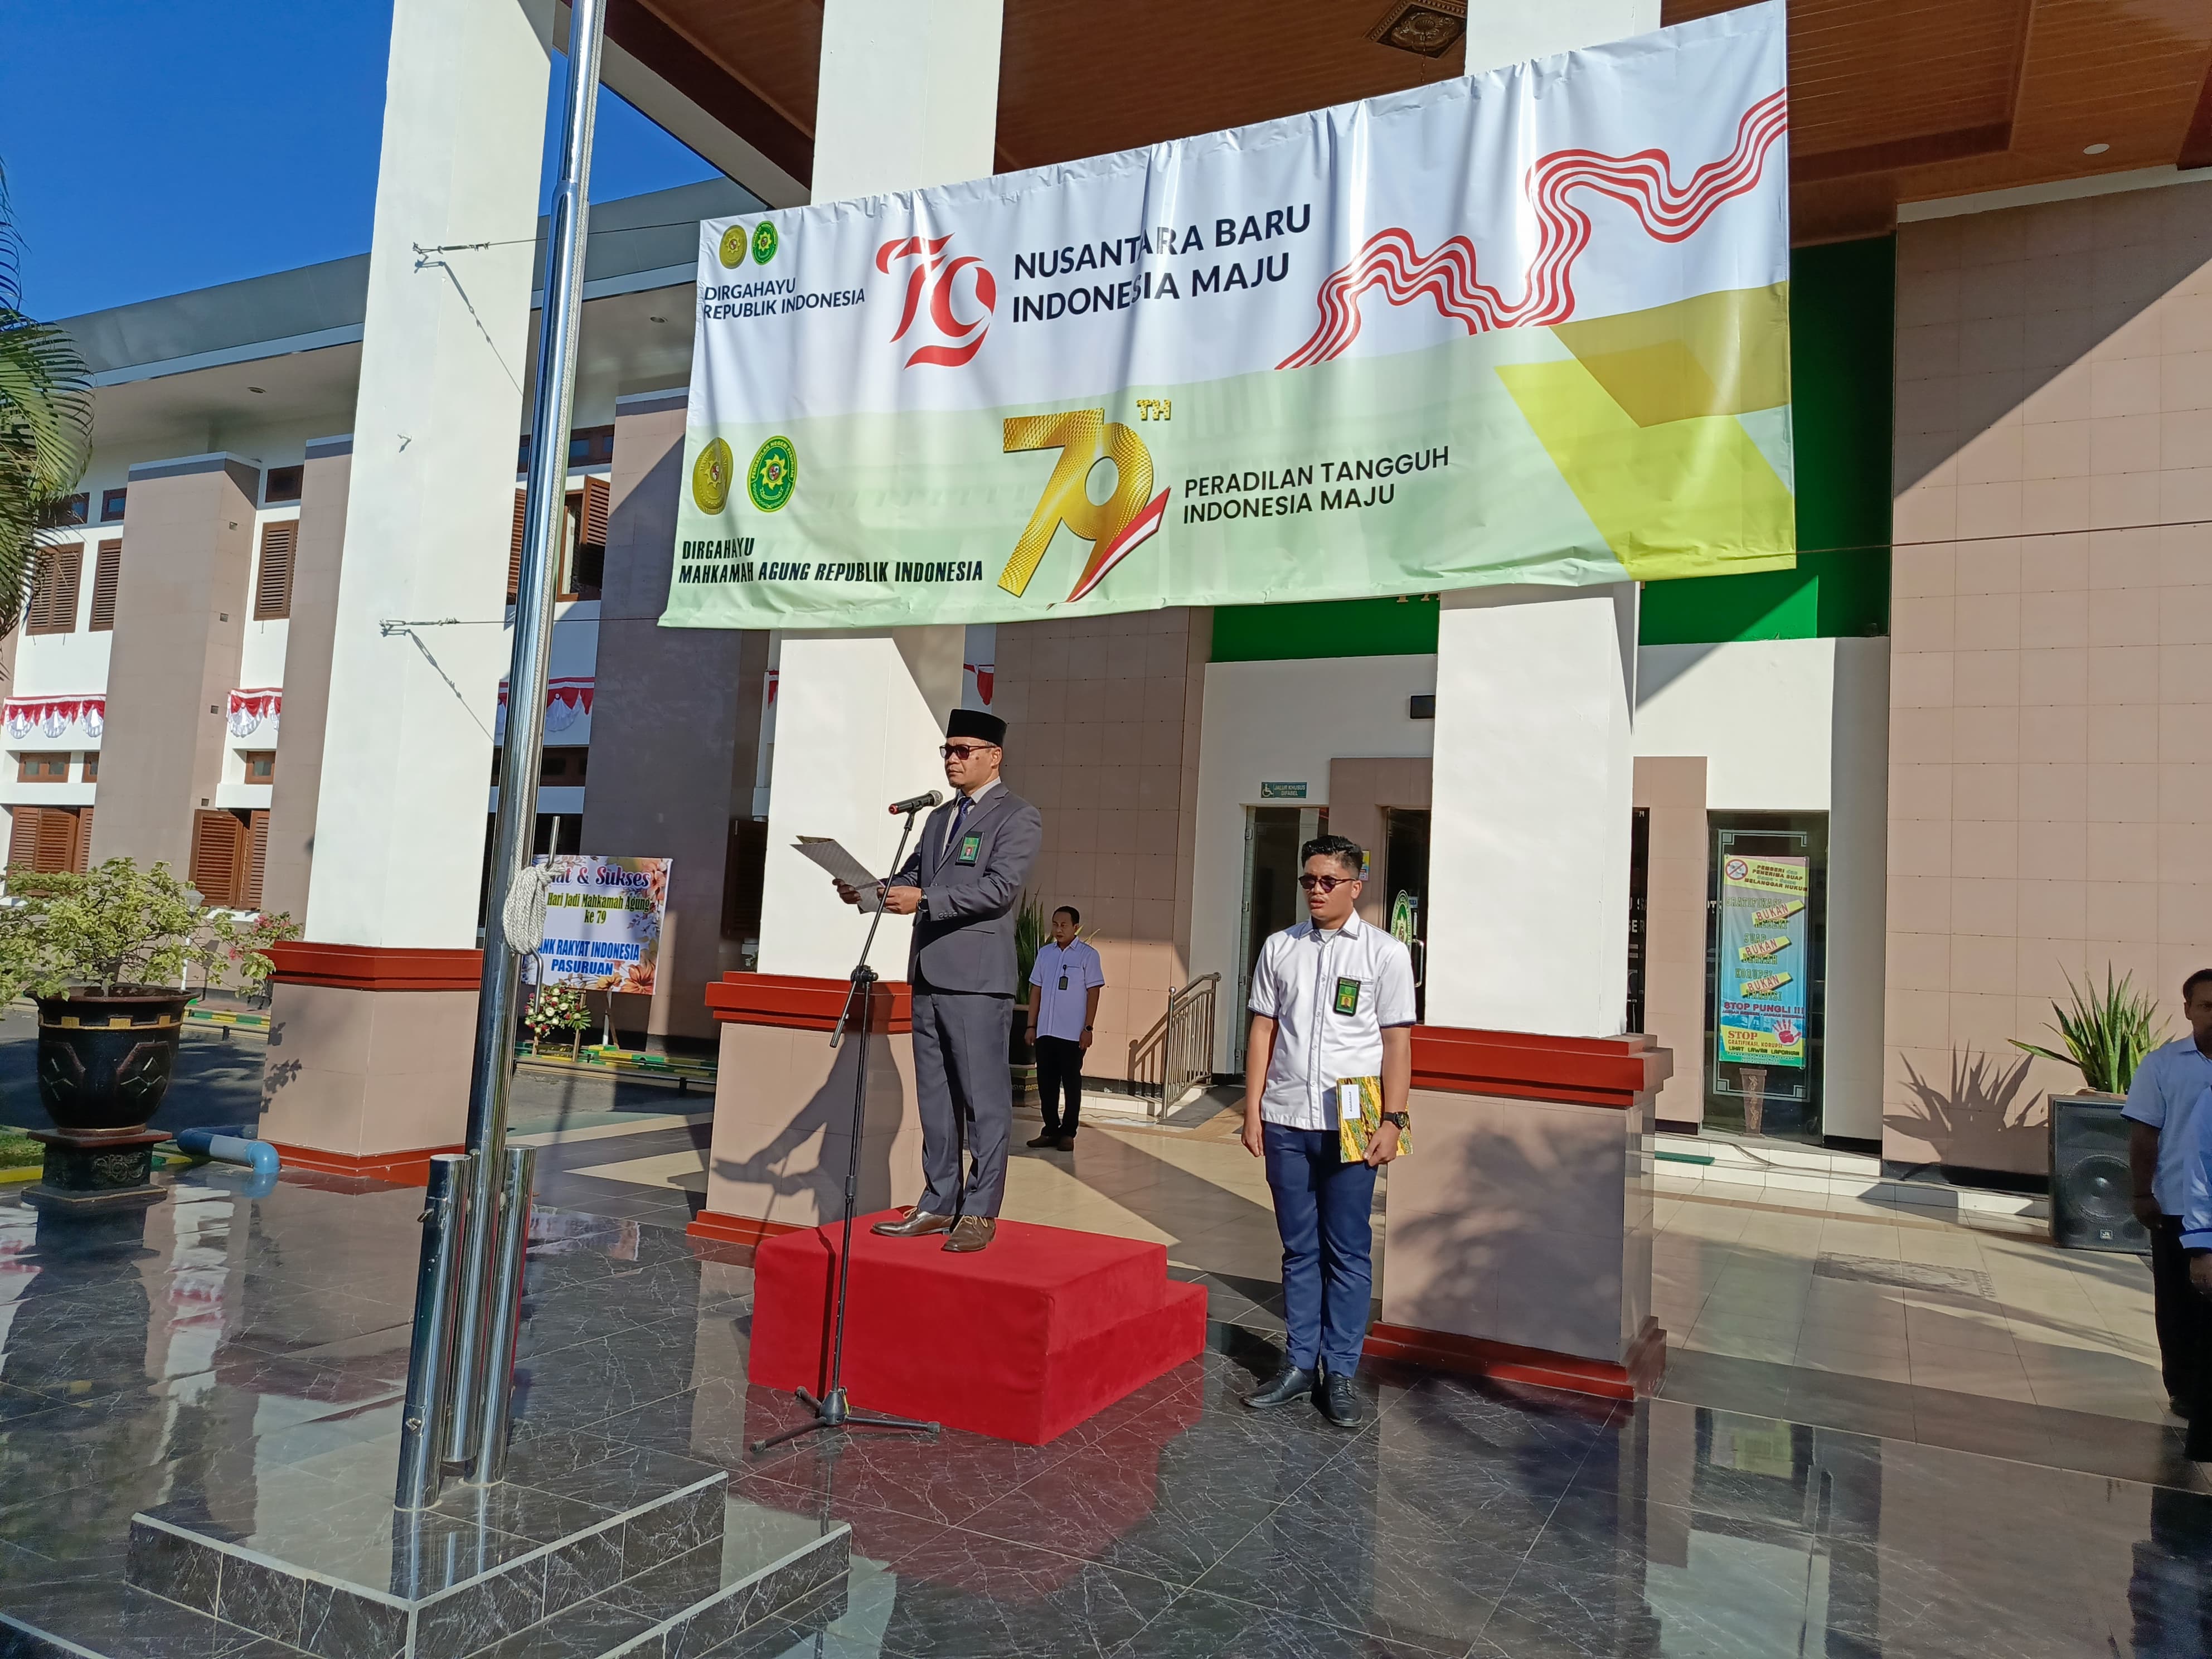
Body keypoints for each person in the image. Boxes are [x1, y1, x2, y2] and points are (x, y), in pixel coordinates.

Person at [833, 708, 1041, 1253]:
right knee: (936, 1096)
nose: (952, 759)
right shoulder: (937, 818)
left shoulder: (1017, 816)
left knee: (983, 1099)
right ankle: (938, 1201)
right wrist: (867, 890)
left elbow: (999, 889)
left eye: (963, 750)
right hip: (927, 973)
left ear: (993, 757)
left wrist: (925, 899)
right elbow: (911, 876)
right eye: (947, 750)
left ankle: (979, 1211)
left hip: (977, 981)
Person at [1239, 833, 1414, 1429]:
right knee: (1298, 1249)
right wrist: (1252, 1110)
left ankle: (1339, 1371)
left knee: (1347, 1248)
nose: (1315, 891)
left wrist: (1393, 1119)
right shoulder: (1280, 947)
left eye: (1328, 881)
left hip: (1355, 1119)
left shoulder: (1385, 954)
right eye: (1308, 880)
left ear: (1355, 886)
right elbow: (1263, 1031)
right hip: (1286, 1117)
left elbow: (1397, 1043)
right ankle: (1298, 1364)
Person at [2125, 968, 2212, 1427]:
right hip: (2178, 1204)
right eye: (2207, 1006)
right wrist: (2142, 1192)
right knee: (2180, 1303)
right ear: (2189, 1010)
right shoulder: (2162, 1065)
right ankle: (2183, 1389)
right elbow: (2145, 1134)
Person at [1027, 906, 1104, 1152]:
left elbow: (1094, 993)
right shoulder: (1045, 954)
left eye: (1064, 925)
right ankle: (1050, 1129)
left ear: (1075, 927)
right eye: (1055, 925)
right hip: (1046, 1031)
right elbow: (1036, 991)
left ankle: (1068, 1133)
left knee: (1071, 1084)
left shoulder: (1088, 956)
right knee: (1046, 1083)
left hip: (1072, 1033)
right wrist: (1031, 1025)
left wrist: (1088, 1028)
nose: (1058, 930)